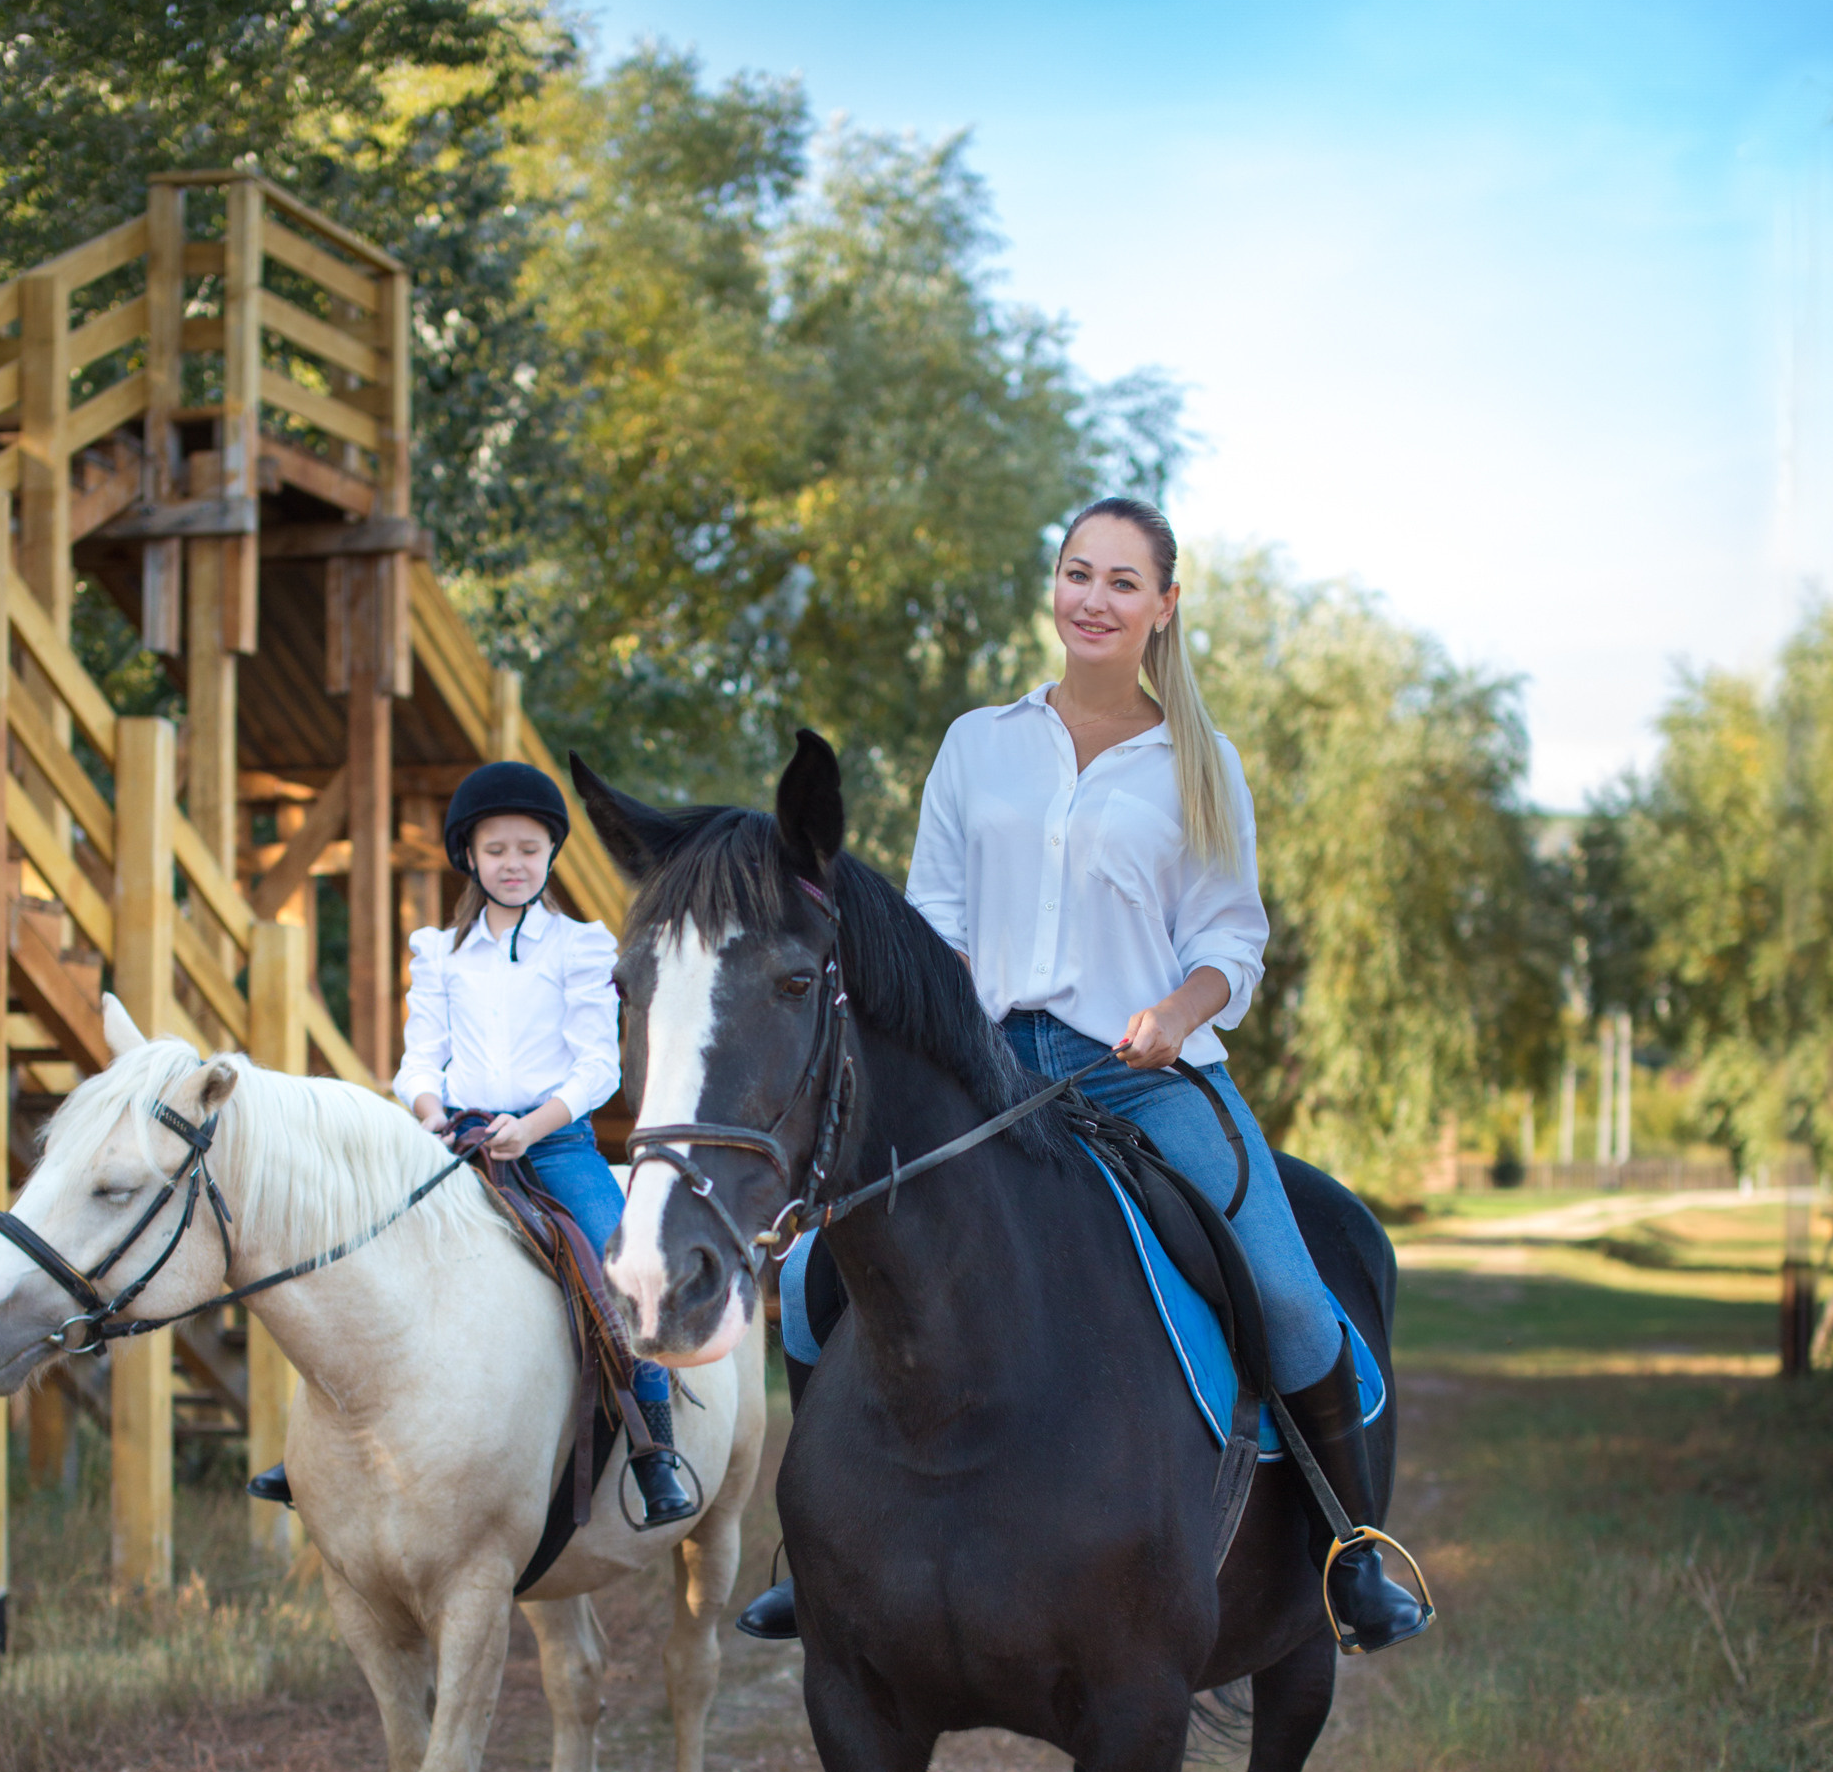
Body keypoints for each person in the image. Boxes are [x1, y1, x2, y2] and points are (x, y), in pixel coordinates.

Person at [737, 496, 1427, 1650]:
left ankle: (1348, 1556)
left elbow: (1230, 942)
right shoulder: (978, 743)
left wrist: (1175, 1012)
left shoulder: (1201, 763)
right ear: (1052, 587)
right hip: (983, 1066)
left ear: (1162, 606)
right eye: (1074, 573)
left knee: (1296, 1300)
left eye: (1119, 582)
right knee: (814, 1272)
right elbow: (935, 916)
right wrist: (944, 1022)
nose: (1091, 599)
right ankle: (816, 1555)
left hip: (1145, 1073)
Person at [245, 758, 695, 1530]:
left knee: (621, 1264)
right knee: (358, 1252)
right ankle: (326, 1442)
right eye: (497, 850)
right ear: (470, 857)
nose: (514, 864)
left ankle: (656, 1447)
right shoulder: (439, 951)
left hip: (553, 1141)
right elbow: (420, 1059)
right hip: (451, 1139)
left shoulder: (578, 946)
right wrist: (425, 1112)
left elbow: (598, 1066)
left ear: (550, 853)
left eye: (528, 848)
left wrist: (533, 1126)